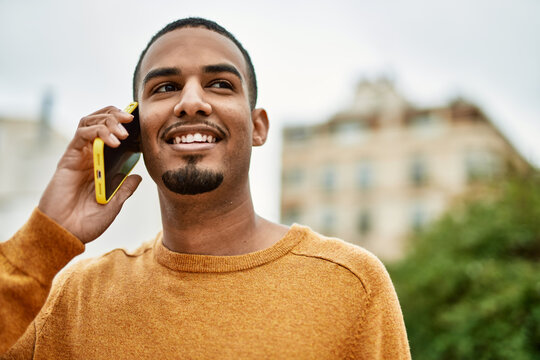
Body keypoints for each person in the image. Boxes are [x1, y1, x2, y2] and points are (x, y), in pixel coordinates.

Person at [0, 17, 410, 359]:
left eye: (220, 84)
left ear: (258, 127)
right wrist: (46, 235)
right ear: (135, 130)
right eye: (165, 87)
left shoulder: (350, 284)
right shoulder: (72, 301)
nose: (191, 101)